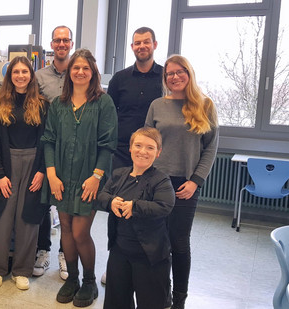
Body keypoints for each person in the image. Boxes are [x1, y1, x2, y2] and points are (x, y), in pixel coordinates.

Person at [42, 48, 118, 308]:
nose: (81, 72)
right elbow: (48, 141)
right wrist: (51, 173)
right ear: (69, 72)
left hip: (89, 179)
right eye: (76, 67)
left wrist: (97, 176)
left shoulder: (103, 103)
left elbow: (108, 145)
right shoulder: (58, 105)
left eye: (86, 68)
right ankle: (71, 279)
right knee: (65, 229)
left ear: (93, 72)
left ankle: (89, 281)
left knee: (80, 232)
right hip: (61, 176)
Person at [145, 54, 219, 309]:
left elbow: (210, 148)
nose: (174, 77)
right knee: (157, 241)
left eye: (180, 72)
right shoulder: (157, 105)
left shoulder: (205, 105)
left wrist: (196, 181)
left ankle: (179, 298)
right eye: (169, 74)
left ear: (189, 73)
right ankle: (161, 292)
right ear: (165, 78)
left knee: (179, 242)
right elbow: (147, 143)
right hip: (156, 182)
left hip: (186, 184)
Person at [102, 26, 163, 285]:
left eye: (146, 42)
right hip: (122, 154)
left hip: (152, 157)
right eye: (137, 43)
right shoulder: (120, 78)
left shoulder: (164, 78)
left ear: (154, 45)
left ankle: (148, 263)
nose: (141, 46)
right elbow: (108, 113)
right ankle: (116, 264)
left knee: (147, 209)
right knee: (117, 208)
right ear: (132, 47)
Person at [96, 127, 175, 309]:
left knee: (151, 303)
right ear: (130, 148)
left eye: (150, 147)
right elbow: (102, 195)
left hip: (150, 256)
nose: (142, 151)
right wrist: (111, 202)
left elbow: (165, 206)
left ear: (158, 153)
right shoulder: (118, 174)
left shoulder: (161, 180)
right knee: (116, 302)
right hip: (119, 251)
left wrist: (135, 207)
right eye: (138, 145)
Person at [0, 56, 48, 291]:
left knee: (28, 218)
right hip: (6, 164)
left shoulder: (42, 104)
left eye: (25, 72)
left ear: (31, 76)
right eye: (16, 72)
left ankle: (22, 269)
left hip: (33, 164)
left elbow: (47, 140)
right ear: (9, 75)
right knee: (2, 218)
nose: (20, 76)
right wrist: (0, 173)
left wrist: (42, 170)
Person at [34, 25, 74, 280]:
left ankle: (66, 253)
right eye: (57, 40)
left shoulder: (80, 73)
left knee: (68, 204)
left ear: (71, 43)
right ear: (52, 43)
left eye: (65, 40)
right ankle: (43, 249)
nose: (61, 44)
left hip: (72, 149)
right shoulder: (39, 77)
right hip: (45, 144)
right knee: (43, 202)